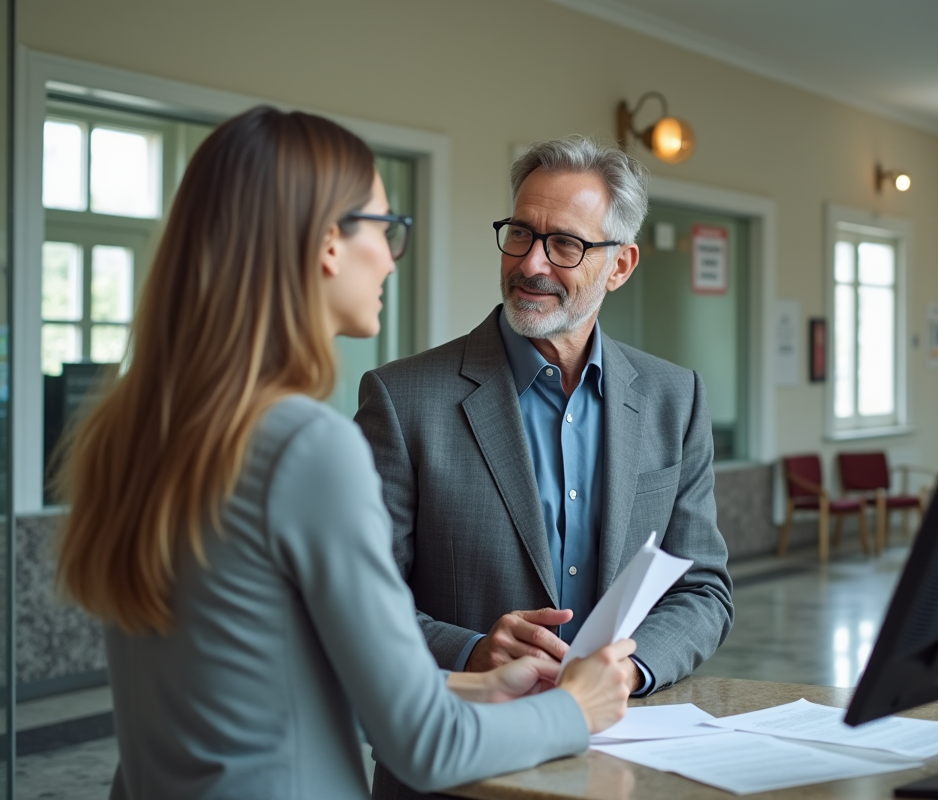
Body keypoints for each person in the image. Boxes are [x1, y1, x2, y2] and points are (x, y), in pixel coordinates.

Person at [55, 107, 634, 800]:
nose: (392, 256)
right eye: (387, 229)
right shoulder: (305, 446)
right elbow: (426, 747)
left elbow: (266, 674)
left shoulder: (137, 428)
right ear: (330, 242)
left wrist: (473, 684)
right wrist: (575, 707)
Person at [356, 136, 735, 798]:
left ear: (620, 265)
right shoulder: (402, 398)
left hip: (621, 769)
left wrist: (628, 669)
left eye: (565, 244)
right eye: (520, 234)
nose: (531, 262)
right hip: (461, 773)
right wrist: (471, 651)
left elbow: (704, 590)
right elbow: (363, 604)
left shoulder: (676, 398)